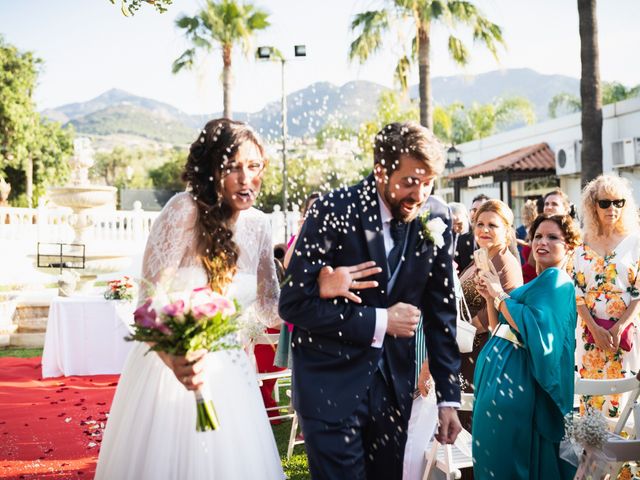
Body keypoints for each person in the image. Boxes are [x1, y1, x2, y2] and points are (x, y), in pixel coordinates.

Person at [95, 119, 285, 479]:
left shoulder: (260, 225)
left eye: (254, 166)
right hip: (170, 370)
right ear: (212, 171)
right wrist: (174, 356)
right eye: (233, 168)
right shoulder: (184, 210)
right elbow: (146, 304)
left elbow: (268, 307)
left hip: (231, 373)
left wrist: (315, 287)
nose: (247, 179)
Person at [279, 121, 462, 480]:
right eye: (411, 181)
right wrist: (380, 321)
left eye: (429, 182)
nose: (421, 193)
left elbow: (441, 314)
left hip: (394, 391)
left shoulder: (436, 217)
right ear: (381, 169)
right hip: (328, 384)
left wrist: (448, 399)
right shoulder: (333, 210)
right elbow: (293, 303)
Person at [473, 214, 581, 479]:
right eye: (538, 237)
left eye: (552, 237)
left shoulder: (556, 280)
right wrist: (491, 297)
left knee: (507, 465)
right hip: (500, 378)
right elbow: (499, 326)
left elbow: (535, 329)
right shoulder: (540, 281)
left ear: (569, 246)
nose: (542, 242)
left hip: (516, 386)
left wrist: (499, 295)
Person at [572, 174, 640, 418]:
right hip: (589, 334)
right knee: (591, 400)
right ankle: (592, 455)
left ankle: (623, 456)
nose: (613, 208)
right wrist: (594, 329)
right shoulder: (583, 241)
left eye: (619, 202)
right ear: (593, 206)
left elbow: (638, 292)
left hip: (625, 334)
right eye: (605, 203)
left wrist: (619, 327)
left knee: (623, 400)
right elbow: (576, 293)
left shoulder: (635, 241)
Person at [457, 200, 523, 432]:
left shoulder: (505, 263)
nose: (484, 230)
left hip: (483, 350)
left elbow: (496, 310)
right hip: (465, 349)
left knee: (474, 425)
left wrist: (457, 331)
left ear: (506, 230)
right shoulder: (480, 256)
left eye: (492, 225)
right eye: (480, 224)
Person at [455, 194, 490, 272]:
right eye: (474, 210)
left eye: (481, 210)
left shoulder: (498, 240)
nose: (476, 213)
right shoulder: (461, 240)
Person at [449, 201, 472, 273]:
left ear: (466, 217)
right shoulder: (447, 237)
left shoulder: (477, 236)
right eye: (452, 224)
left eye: (459, 223)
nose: (455, 228)